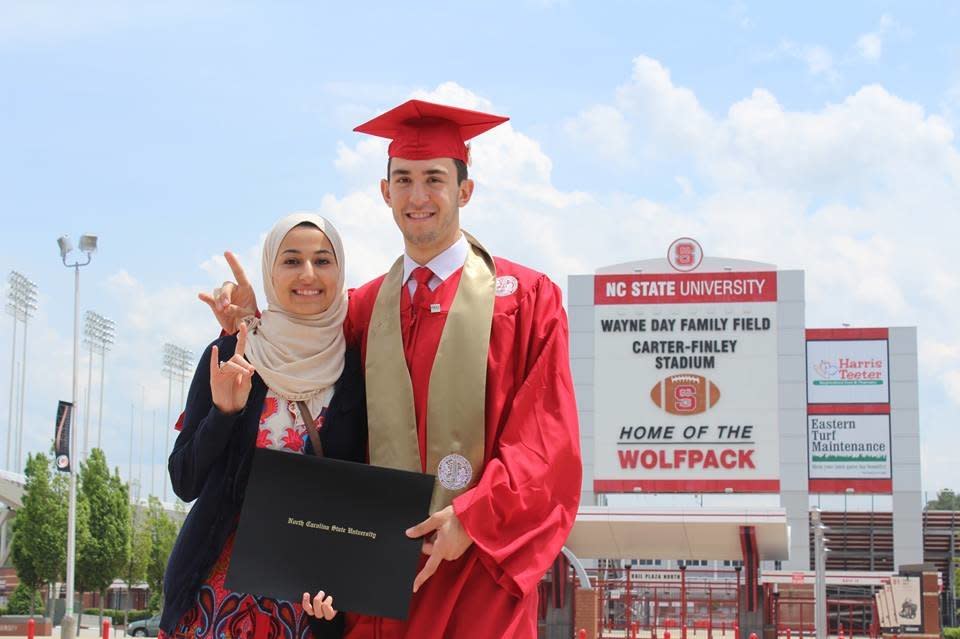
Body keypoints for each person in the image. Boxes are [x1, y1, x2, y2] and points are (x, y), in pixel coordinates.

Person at [205, 100, 582, 639]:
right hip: (374, 581)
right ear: (385, 193)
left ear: (465, 190)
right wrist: (253, 322)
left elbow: (548, 443)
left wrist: (472, 518)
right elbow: (299, 382)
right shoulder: (363, 308)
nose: (418, 195)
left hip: (477, 577)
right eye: (402, 179)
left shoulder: (528, 300)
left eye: (434, 178)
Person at [161, 213, 367, 639]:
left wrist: (343, 585)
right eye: (291, 261)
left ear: (340, 270)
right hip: (211, 607)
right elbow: (184, 482)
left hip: (306, 612)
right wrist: (223, 414)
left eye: (322, 260)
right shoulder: (231, 352)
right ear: (271, 271)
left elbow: (360, 498)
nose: (307, 274)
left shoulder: (357, 372)